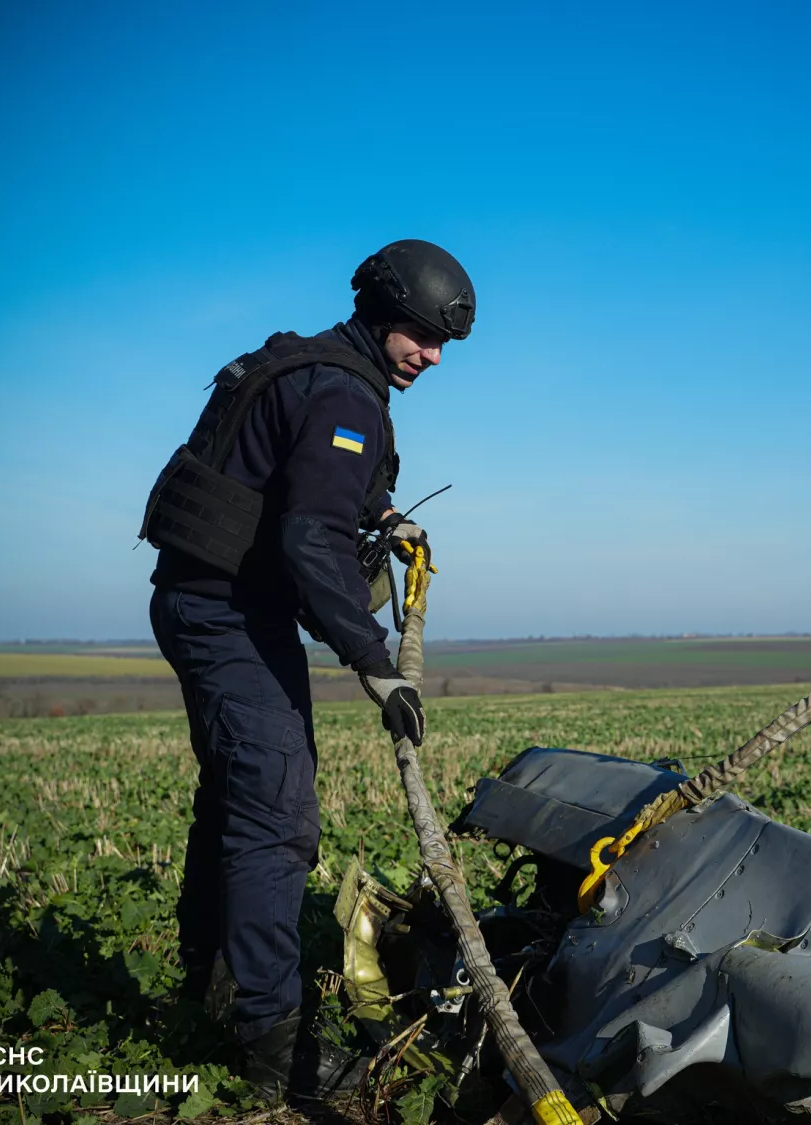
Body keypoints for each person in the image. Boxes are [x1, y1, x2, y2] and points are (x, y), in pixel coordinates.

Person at [137, 239, 476, 1098]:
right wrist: (375, 662)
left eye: (442, 346)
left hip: (200, 597)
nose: (431, 357)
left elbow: (313, 488)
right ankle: (277, 1052)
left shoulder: (310, 364)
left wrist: (387, 513)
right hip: (227, 613)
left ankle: (208, 986)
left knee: (233, 799)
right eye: (422, 336)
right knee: (275, 817)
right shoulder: (341, 389)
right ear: (380, 310)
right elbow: (309, 537)